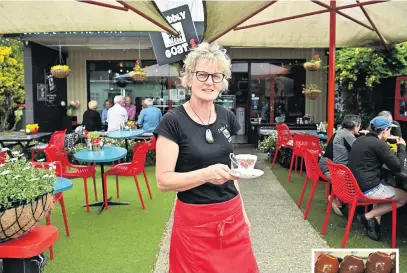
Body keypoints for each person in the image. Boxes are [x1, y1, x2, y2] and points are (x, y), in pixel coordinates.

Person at [154, 42, 258, 273]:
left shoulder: (226, 117)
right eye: (202, 74)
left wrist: (243, 214)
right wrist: (206, 174)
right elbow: (163, 181)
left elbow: (233, 173)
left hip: (232, 217)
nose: (209, 82)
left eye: (216, 76)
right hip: (194, 221)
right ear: (189, 79)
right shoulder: (172, 122)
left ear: (222, 83)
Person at [348, 116, 407, 241]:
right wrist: (402, 146)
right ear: (384, 130)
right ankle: (368, 216)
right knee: (403, 197)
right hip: (366, 190)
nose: (390, 133)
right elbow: (398, 167)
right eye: (390, 130)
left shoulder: (361, 139)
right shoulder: (379, 144)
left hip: (352, 187)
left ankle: (375, 223)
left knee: (384, 182)